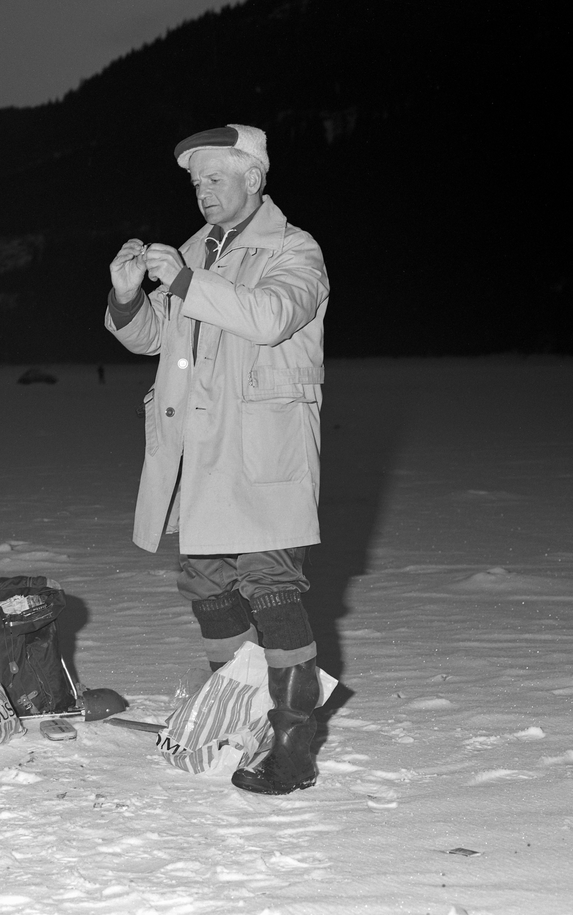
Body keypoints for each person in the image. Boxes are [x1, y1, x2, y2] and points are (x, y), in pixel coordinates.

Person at [104, 124, 329, 795]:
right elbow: (159, 337)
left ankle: (294, 743)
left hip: (263, 448)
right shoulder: (197, 250)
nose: (202, 192)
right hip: (201, 451)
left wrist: (186, 280)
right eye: (196, 181)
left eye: (215, 178)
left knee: (274, 584)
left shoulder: (296, 250)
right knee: (206, 582)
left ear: (254, 178)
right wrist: (126, 297)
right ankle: (242, 710)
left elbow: (269, 317)